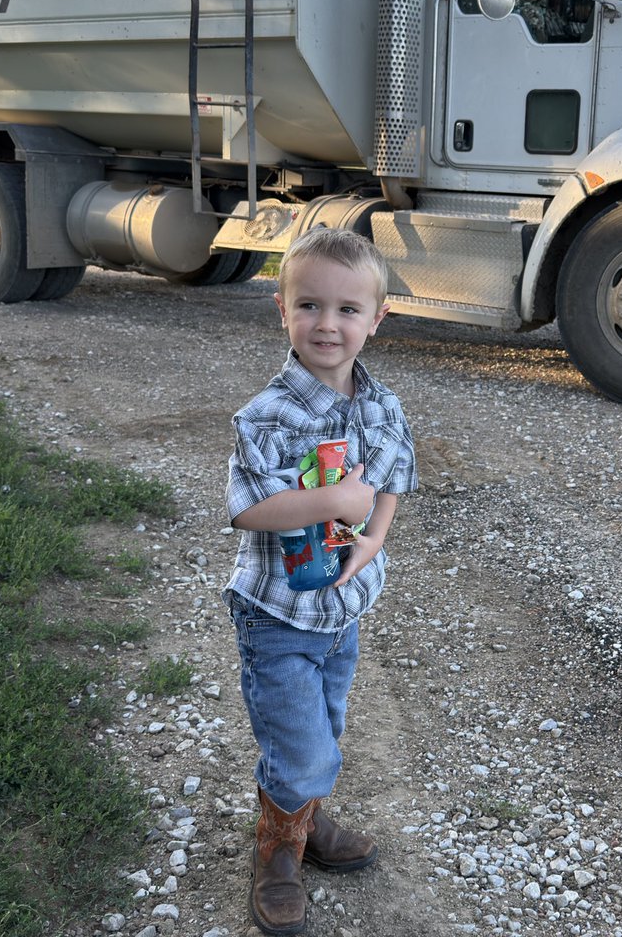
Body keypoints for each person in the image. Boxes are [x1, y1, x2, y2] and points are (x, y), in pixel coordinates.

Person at [222, 226, 418, 936]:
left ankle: (301, 814)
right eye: (308, 306)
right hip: (276, 615)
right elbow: (248, 509)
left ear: (376, 318)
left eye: (345, 310)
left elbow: (392, 481)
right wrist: (334, 504)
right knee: (298, 741)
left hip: (343, 609)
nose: (326, 324)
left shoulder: (381, 405)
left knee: (322, 728)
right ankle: (277, 849)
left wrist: (371, 540)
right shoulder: (266, 414)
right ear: (281, 309)